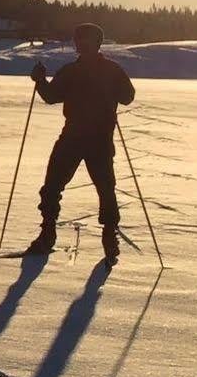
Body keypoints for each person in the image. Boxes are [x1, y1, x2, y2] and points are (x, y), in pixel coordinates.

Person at [25, 23, 136, 263]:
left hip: (80, 138)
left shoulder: (75, 71)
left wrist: (40, 80)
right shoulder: (107, 70)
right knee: (76, 188)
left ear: (95, 43)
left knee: (64, 187)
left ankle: (55, 234)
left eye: (83, 40)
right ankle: (100, 238)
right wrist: (41, 81)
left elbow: (52, 96)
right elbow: (127, 97)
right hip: (89, 139)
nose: (80, 45)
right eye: (79, 40)